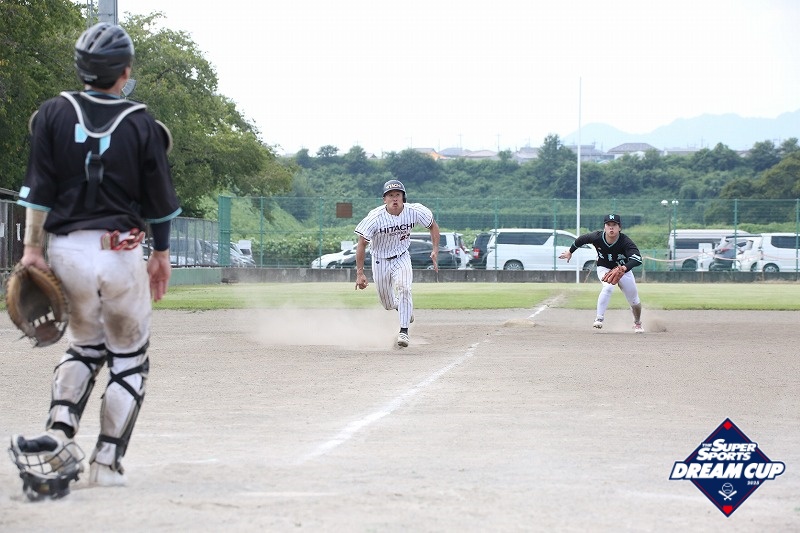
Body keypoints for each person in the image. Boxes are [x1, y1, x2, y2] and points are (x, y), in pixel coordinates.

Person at [9, 22, 181, 493]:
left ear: (80, 68)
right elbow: (160, 203)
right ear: (125, 72)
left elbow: (37, 191)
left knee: (84, 348)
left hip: (66, 250)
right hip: (119, 250)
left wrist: (32, 250)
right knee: (129, 359)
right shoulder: (142, 122)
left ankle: (58, 434)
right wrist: (161, 252)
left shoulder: (51, 113)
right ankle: (105, 464)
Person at [354, 179, 440, 347]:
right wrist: (360, 273)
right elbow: (362, 243)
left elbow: (433, 225)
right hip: (380, 260)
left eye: (398, 195)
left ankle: (404, 332)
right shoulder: (375, 218)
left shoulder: (414, 211)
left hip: (402, 257)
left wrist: (435, 249)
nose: (394, 198)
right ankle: (403, 308)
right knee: (387, 304)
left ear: (403, 197)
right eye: (390, 195)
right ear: (384, 199)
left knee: (404, 288)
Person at [559, 214, 644, 333]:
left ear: (619, 227)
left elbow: (637, 259)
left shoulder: (625, 241)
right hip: (604, 268)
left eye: (614, 225)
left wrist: (624, 268)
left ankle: (637, 322)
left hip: (623, 270)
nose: (611, 228)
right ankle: (599, 318)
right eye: (608, 225)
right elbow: (581, 240)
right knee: (608, 287)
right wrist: (570, 252)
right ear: (604, 227)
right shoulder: (597, 237)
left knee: (634, 299)